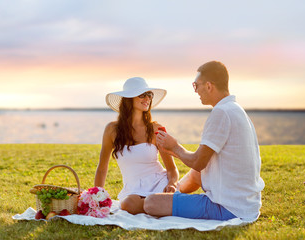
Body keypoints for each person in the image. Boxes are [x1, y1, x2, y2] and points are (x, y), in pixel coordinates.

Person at [143, 61, 265, 222]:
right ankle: (175, 192)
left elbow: (198, 162)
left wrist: (174, 146)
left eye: (196, 85)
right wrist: (172, 151)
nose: (196, 91)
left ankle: (170, 198)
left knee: (151, 203)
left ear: (209, 86)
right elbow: (201, 166)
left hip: (228, 208)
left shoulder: (221, 112)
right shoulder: (235, 109)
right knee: (197, 174)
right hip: (246, 204)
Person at [94, 77, 179, 215]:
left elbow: (171, 169)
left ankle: (162, 204)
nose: (147, 99)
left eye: (149, 95)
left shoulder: (156, 129)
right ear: (129, 99)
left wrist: (172, 184)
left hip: (160, 185)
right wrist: (96, 196)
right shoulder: (111, 130)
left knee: (136, 204)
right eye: (142, 95)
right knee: (127, 204)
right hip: (133, 191)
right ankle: (161, 207)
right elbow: (102, 168)